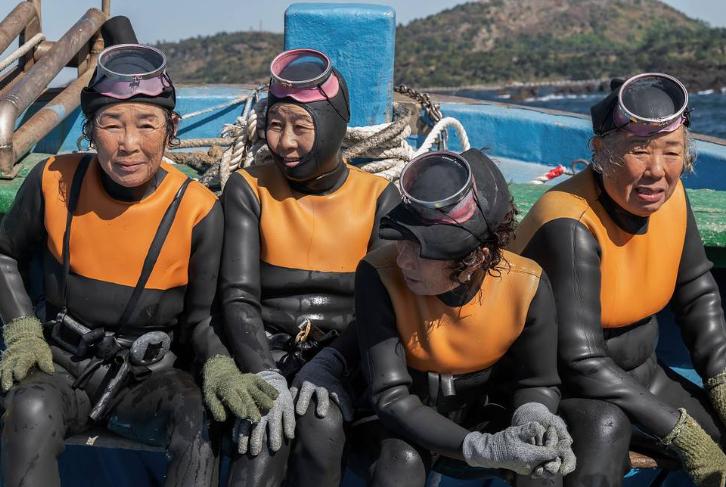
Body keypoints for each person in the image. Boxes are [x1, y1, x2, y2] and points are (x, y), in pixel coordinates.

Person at [0, 18, 276, 487]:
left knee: (200, 420)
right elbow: (4, 254)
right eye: (111, 124)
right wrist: (24, 331)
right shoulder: (52, 181)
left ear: (171, 129)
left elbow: (202, 320)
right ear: (89, 130)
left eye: (146, 124)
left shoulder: (198, 210)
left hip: (149, 378)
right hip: (60, 364)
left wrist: (222, 367)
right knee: (28, 407)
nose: (129, 144)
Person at [511, 73, 726, 487]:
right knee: (605, 431)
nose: (656, 171)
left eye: (671, 151)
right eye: (638, 150)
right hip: (561, 388)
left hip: (645, 376)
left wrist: (720, 379)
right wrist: (680, 434)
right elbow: (581, 361)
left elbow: (698, 292)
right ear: (601, 151)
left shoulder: (672, 197)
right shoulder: (570, 223)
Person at [219, 48, 400, 486]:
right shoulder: (249, 188)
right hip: (266, 350)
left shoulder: (379, 198)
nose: (285, 143)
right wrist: (263, 372)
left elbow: (379, 307)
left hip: (346, 356)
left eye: (301, 126)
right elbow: (237, 296)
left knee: (322, 426)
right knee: (259, 439)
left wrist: (332, 363)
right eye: (276, 125)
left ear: (335, 124)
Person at [354, 149, 575, 486]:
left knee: (541, 469)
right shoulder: (377, 274)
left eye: (421, 249)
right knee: (399, 462)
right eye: (402, 240)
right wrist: (481, 448)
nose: (403, 260)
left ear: (476, 258)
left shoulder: (527, 284)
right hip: (398, 423)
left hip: (480, 411)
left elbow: (536, 382)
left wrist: (535, 415)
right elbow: (391, 397)